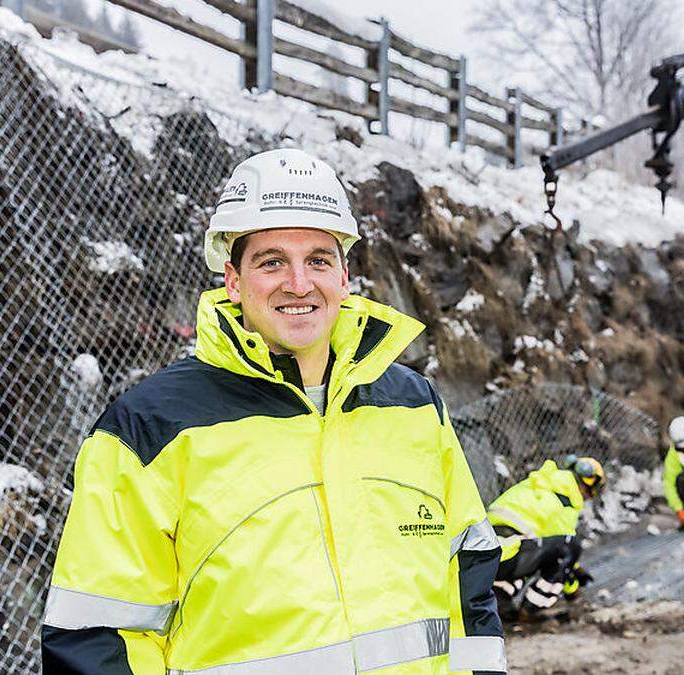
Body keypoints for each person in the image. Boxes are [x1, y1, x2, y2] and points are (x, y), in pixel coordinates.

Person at [40, 148, 506, 674]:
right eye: (272, 261)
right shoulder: (150, 430)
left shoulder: (415, 405)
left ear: (345, 277)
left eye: (319, 260)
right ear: (232, 279)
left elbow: (467, 587)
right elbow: (98, 637)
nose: (300, 284)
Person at [487, 456, 605, 616]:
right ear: (588, 486)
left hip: (487, 555)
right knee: (571, 545)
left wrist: (575, 568)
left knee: (530, 548)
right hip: (508, 555)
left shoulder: (537, 483)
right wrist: (573, 590)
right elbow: (564, 553)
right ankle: (529, 612)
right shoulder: (566, 501)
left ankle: (500, 602)